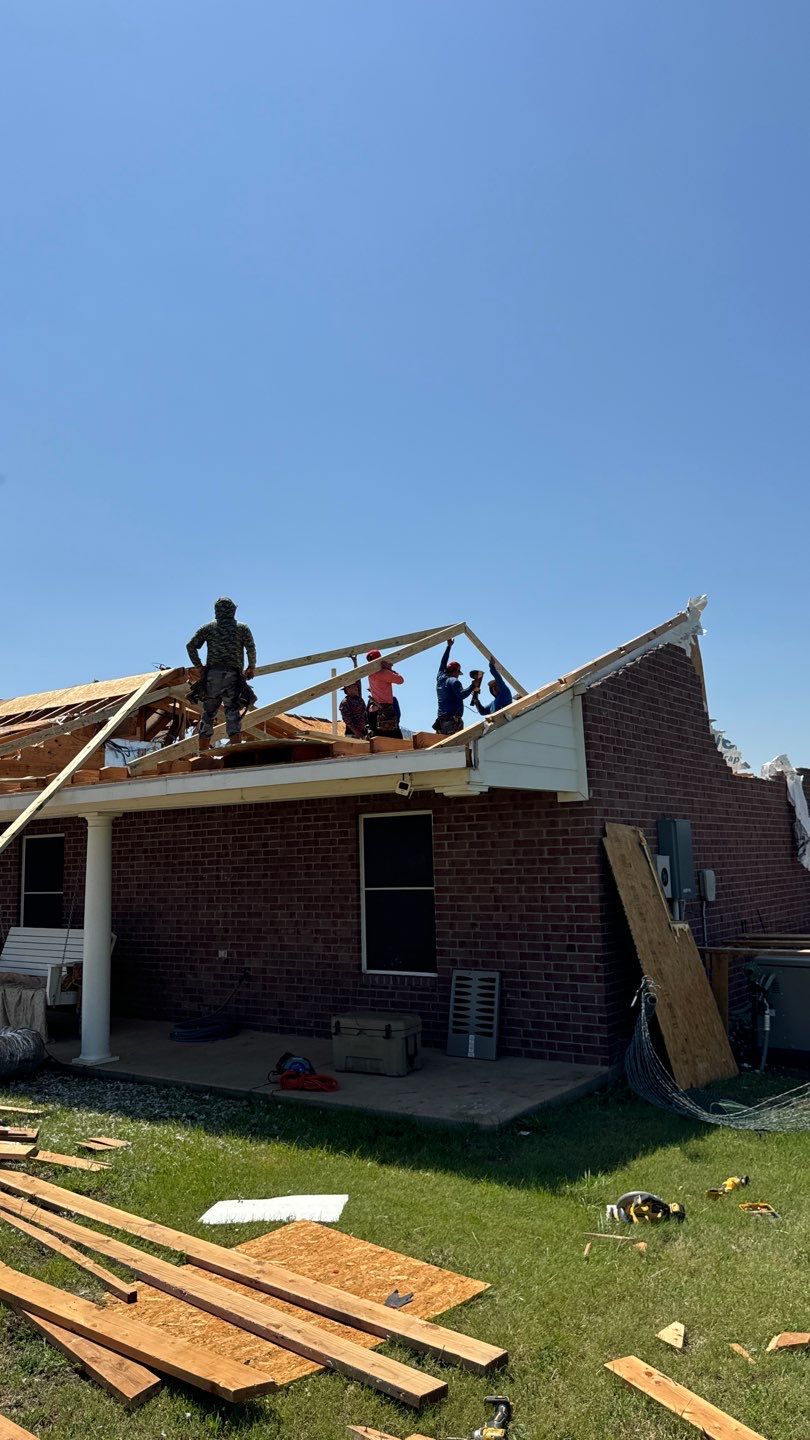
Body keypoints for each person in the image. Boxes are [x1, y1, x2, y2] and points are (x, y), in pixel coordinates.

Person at [186, 597, 257, 749]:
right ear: (233, 610)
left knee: (208, 713)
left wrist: (199, 667)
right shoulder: (242, 628)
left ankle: (203, 753)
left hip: (212, 677)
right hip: (233, 677)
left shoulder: (208, 628)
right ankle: (236, 752)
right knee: (232, 713)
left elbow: (190, 646)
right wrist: (251, 667)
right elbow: (250, 648)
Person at [433, 637, 476, 735]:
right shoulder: (454, 681)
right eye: (458, 672)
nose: (458, 675)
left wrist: (448, 647)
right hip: (452, 722)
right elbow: (462, 695)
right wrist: (472, 686)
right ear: (456, 671)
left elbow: (443, 662)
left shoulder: (440, 677)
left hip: (441, 722)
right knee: (456, 748)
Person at [365, 649, 404, 738]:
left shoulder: (371, 675)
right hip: (385, 710)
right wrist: (390, 669)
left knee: (378, 737)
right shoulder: (383, 672)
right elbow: (400, 680)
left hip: (375, 709)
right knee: (393, 738)